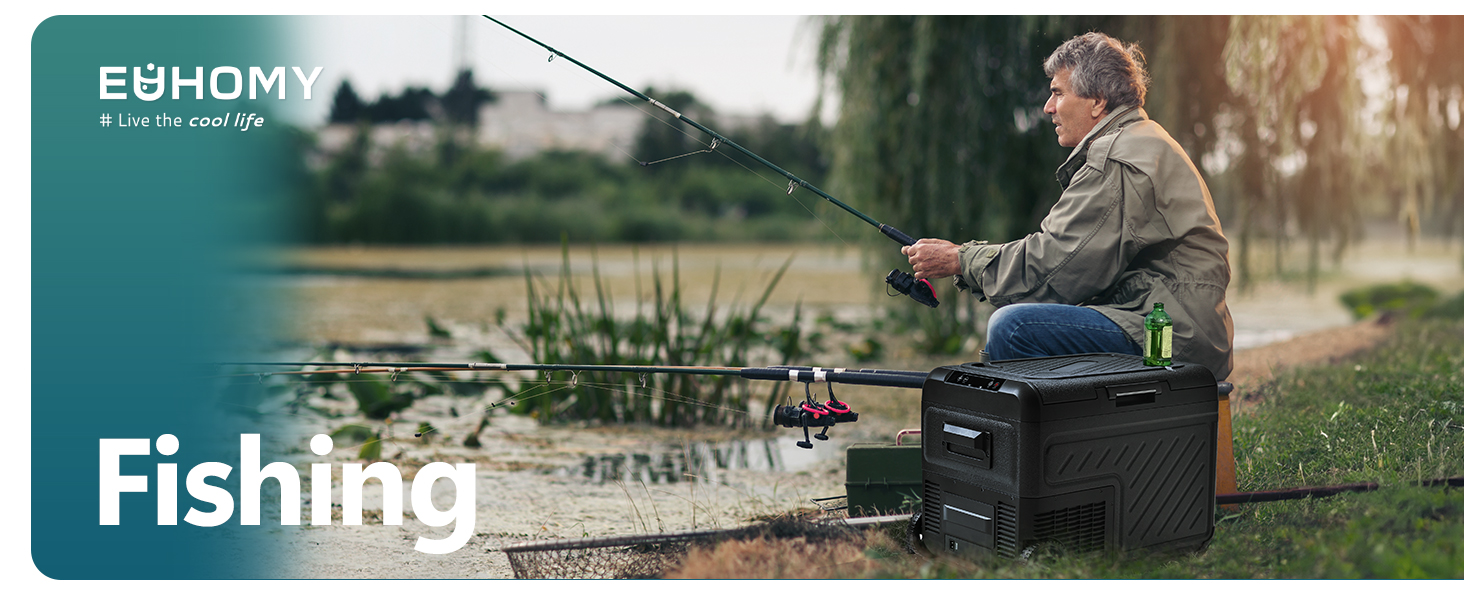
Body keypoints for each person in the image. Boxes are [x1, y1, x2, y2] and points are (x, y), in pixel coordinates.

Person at [900, 32, 1234, 380]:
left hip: (1169, 337)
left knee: (1014, 328)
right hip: (1178, 329)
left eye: (1058, 92)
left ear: (1098, 102)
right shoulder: (1142, 140)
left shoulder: (1117, 157)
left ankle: (1047, 434)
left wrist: (960, 259)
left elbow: (1055, 266)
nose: (1048, 107)